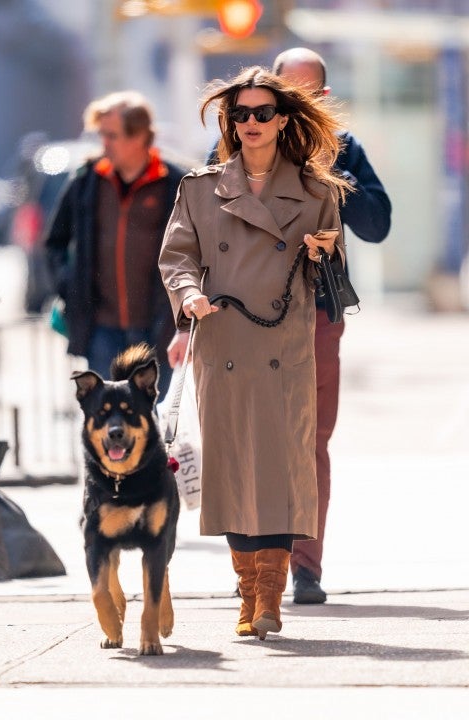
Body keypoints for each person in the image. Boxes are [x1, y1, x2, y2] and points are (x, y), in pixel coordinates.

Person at [159, 65, 351, 640]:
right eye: (239, 114)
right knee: (231, 467)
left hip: (282, 343)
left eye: (263, 112)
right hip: (222, 340)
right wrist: (188, 295)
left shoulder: (318, 191)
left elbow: (334, 268)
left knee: (279, 468)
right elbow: (178, 256)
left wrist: (324, 251)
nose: (251, 122)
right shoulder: (199, 188)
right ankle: (249, 595)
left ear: (283, 119)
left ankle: (270, 595)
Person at [272, 47, 392, 604]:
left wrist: (335, 179)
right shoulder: (242, 136)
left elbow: (378, 223)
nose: (292, 106)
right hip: (253, 318)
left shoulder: (344, 149)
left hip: (319, 315)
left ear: (323, 97)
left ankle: (305, 567)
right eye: (283, 93)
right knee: (256, 441)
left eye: (306, 95)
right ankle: (257, 564)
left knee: (311, 441)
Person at [45, 90, 185, 399]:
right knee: (106, 424)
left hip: (157, 329)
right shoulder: (86, 181)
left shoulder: (175, 183)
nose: (103, 143)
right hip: (101, 331)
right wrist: (68, 285)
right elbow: (54, 242)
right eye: (101, 135)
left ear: (138, 137)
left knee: (153, 425)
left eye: (111, 135)